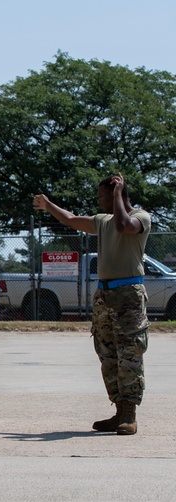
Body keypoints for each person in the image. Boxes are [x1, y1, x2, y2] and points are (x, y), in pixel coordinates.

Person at [33, 174, 151, 435]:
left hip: (129, 295)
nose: (98, 200)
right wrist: (49, 205)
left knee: (129, 354)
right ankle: (119, 411)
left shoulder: (141, 217)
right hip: (105, 295)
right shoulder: (103, 221)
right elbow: (72, 220)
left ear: (116, 193)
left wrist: (119, 194)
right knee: (107, 354)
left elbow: (124, 226)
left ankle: (130, 415)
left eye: (102, 195)